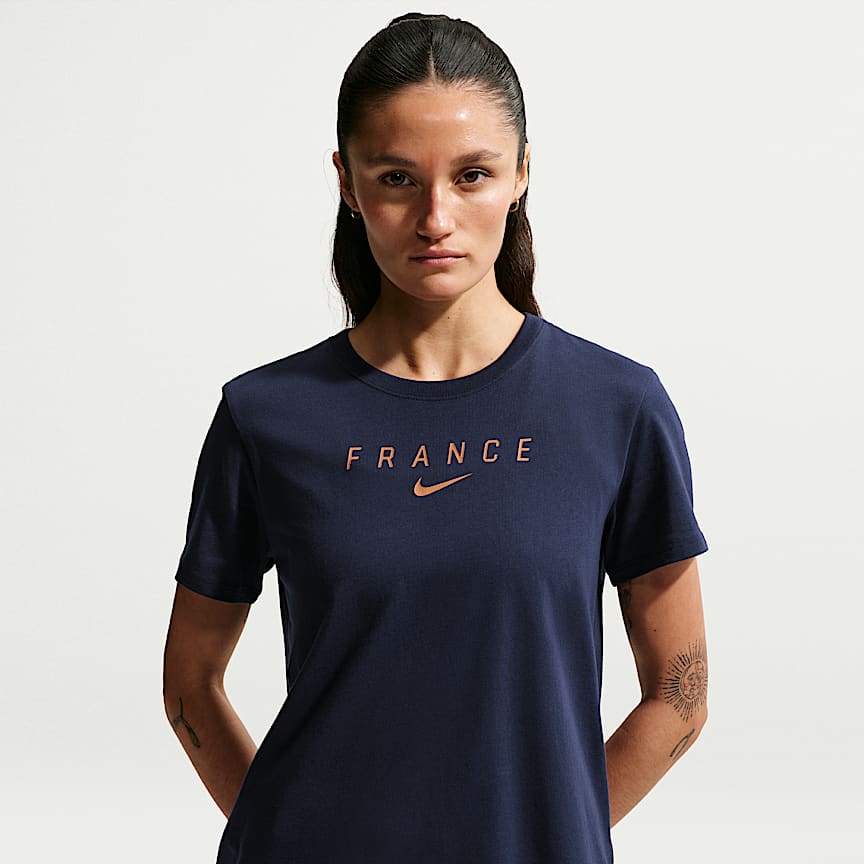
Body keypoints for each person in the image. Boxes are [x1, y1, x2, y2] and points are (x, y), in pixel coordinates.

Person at [162, 12, 710, 863]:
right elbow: (190, 684)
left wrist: (551, 834)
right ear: (347, 183)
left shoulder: (615, 407)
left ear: (521, 174)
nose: (435, 217)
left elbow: (680, 694)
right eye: (396, 178)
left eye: (472, 175)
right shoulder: (266, 416)